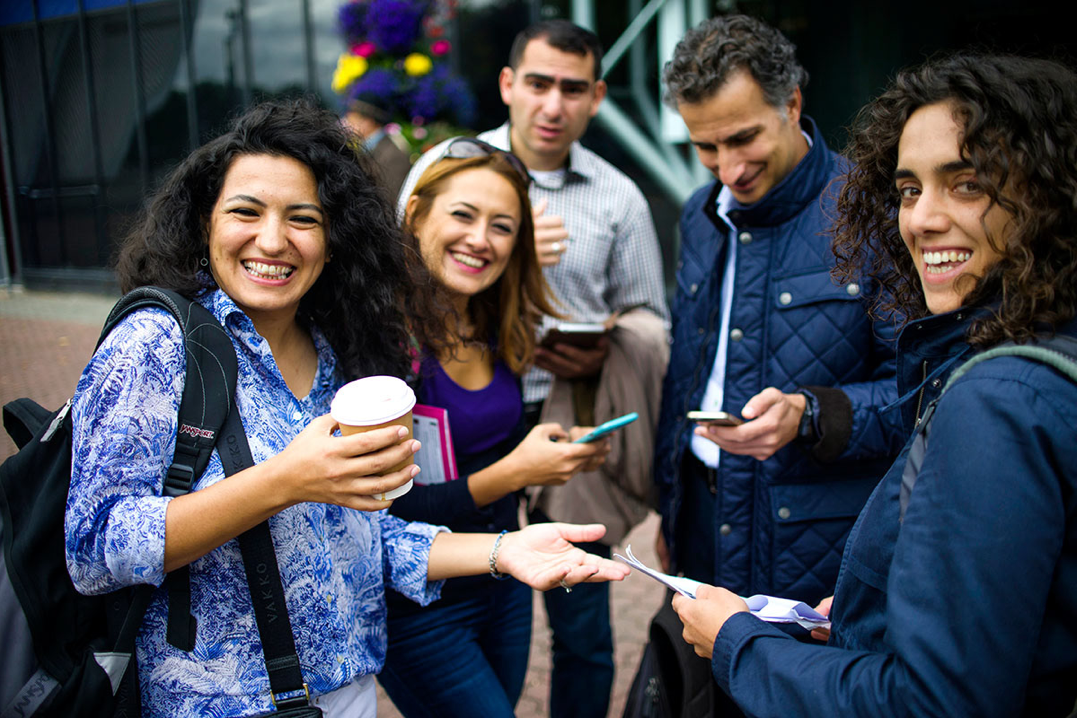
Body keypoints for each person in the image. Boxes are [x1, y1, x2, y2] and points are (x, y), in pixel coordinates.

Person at [63, 100, 629, 718]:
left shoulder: (328, 351)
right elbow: (94, 549)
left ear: (333, 242)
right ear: (205, 223)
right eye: (245, 212)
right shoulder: (155, 343)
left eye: (302, 219)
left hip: (345, 690)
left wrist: (504, 552)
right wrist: (283, 481)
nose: (273, 240)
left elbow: (366, 538)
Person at [672, 53, 1077, 717]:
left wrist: (738, 646)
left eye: (967, 184)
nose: (920, 219)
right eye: (909, 190)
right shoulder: (698, 216)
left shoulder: (998, 398)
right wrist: (871, 613)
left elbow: (935, 702)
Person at [397, 20, 669, 717]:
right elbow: (406, 267)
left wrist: (606, 339)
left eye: (572, 89)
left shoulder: (619, 197)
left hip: (569, 416)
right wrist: (507, 243)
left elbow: (651, 320)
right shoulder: (451, 172)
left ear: (597, 97)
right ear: (508, 85)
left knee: (581, 621)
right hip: (471, 410)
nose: (553, 105)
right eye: (539, 84)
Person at [654, 14, 902, 615]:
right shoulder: (697, 214)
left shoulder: (875, 211)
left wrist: (810, 414)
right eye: (705, 147)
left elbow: (926, 393)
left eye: (743, 139)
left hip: (814, 534)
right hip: (701, 513)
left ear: (791, 103)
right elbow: (686, 370)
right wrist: (672, 508)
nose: (728, 168)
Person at [376, 137, 611, 717]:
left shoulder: (495, 319)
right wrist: (514, 473)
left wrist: (551, 456)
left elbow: (489, 450)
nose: (481, 239)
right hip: (421, 602)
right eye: (463, 214)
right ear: (416, 214)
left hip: (504, 581)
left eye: (502, 226)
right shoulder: (384, 343)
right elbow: (384, 518)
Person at [343, 95, 411, 199]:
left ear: (368, 122)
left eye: (353, 119)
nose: (347, 123)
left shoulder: (393, 156)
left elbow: (391, 203)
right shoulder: (367, 149)